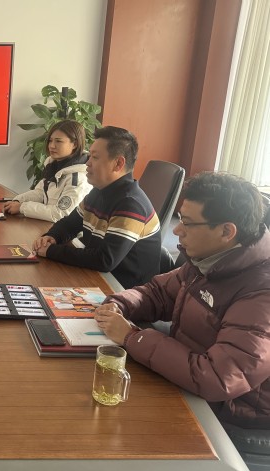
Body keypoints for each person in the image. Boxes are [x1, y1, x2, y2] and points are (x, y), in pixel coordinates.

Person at [94, 171, 270, 431]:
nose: (176, 230)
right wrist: (120, 304)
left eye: (187, 222)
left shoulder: (260, 294)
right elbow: (158, 292)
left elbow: (218, 378)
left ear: (226, 231)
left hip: (232, 413)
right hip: (189, 378)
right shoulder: (210, 259)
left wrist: (133, 337)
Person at [32, 126, 161, 288]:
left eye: (95, 157)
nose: (87, 163)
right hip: (99, 278)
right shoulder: (99, 192)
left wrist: (51, 251)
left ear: (118, 163)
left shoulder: (131, 204)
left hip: (126, 291)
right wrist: (52, 236)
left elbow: (105, 260)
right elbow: (70, 223)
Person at [4, 120, 91, 221]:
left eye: (58, 141)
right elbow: (40, 193)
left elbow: (61, 214)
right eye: (50, 140)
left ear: (75, 144)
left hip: (65, 230)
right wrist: (18, 201)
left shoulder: (78, 178)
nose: (52, 146)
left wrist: (22, 207)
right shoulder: (53, 166)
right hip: (47, 226)